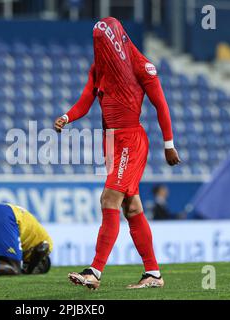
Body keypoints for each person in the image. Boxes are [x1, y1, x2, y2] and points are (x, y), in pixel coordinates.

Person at [54, 17, 180, 289]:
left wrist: (169, 144)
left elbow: (161, 106)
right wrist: (66, 116)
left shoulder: (143, 66)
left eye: (104, 43)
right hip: (110, 143)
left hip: (130, 141)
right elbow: (86, 101)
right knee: (131, 206)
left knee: (108, 198)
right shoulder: (99, 68)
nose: (101, 49)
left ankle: (94, 272)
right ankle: (153, 274)